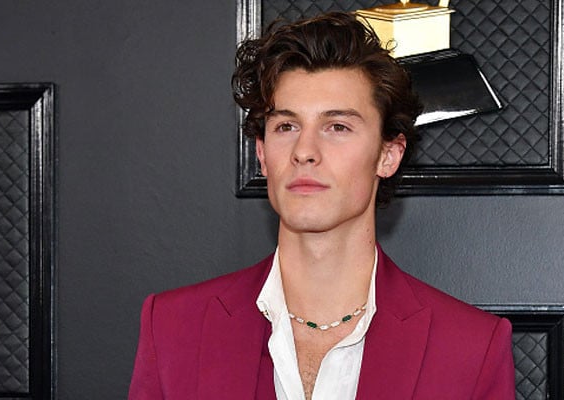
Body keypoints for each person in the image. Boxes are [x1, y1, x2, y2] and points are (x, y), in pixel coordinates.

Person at [128, 12, 515, 400]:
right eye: (287, 126)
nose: (305, 151)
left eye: (337, 127)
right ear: (262, 153)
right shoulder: (173, 328)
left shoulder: (471, 348)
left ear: (388, 155)